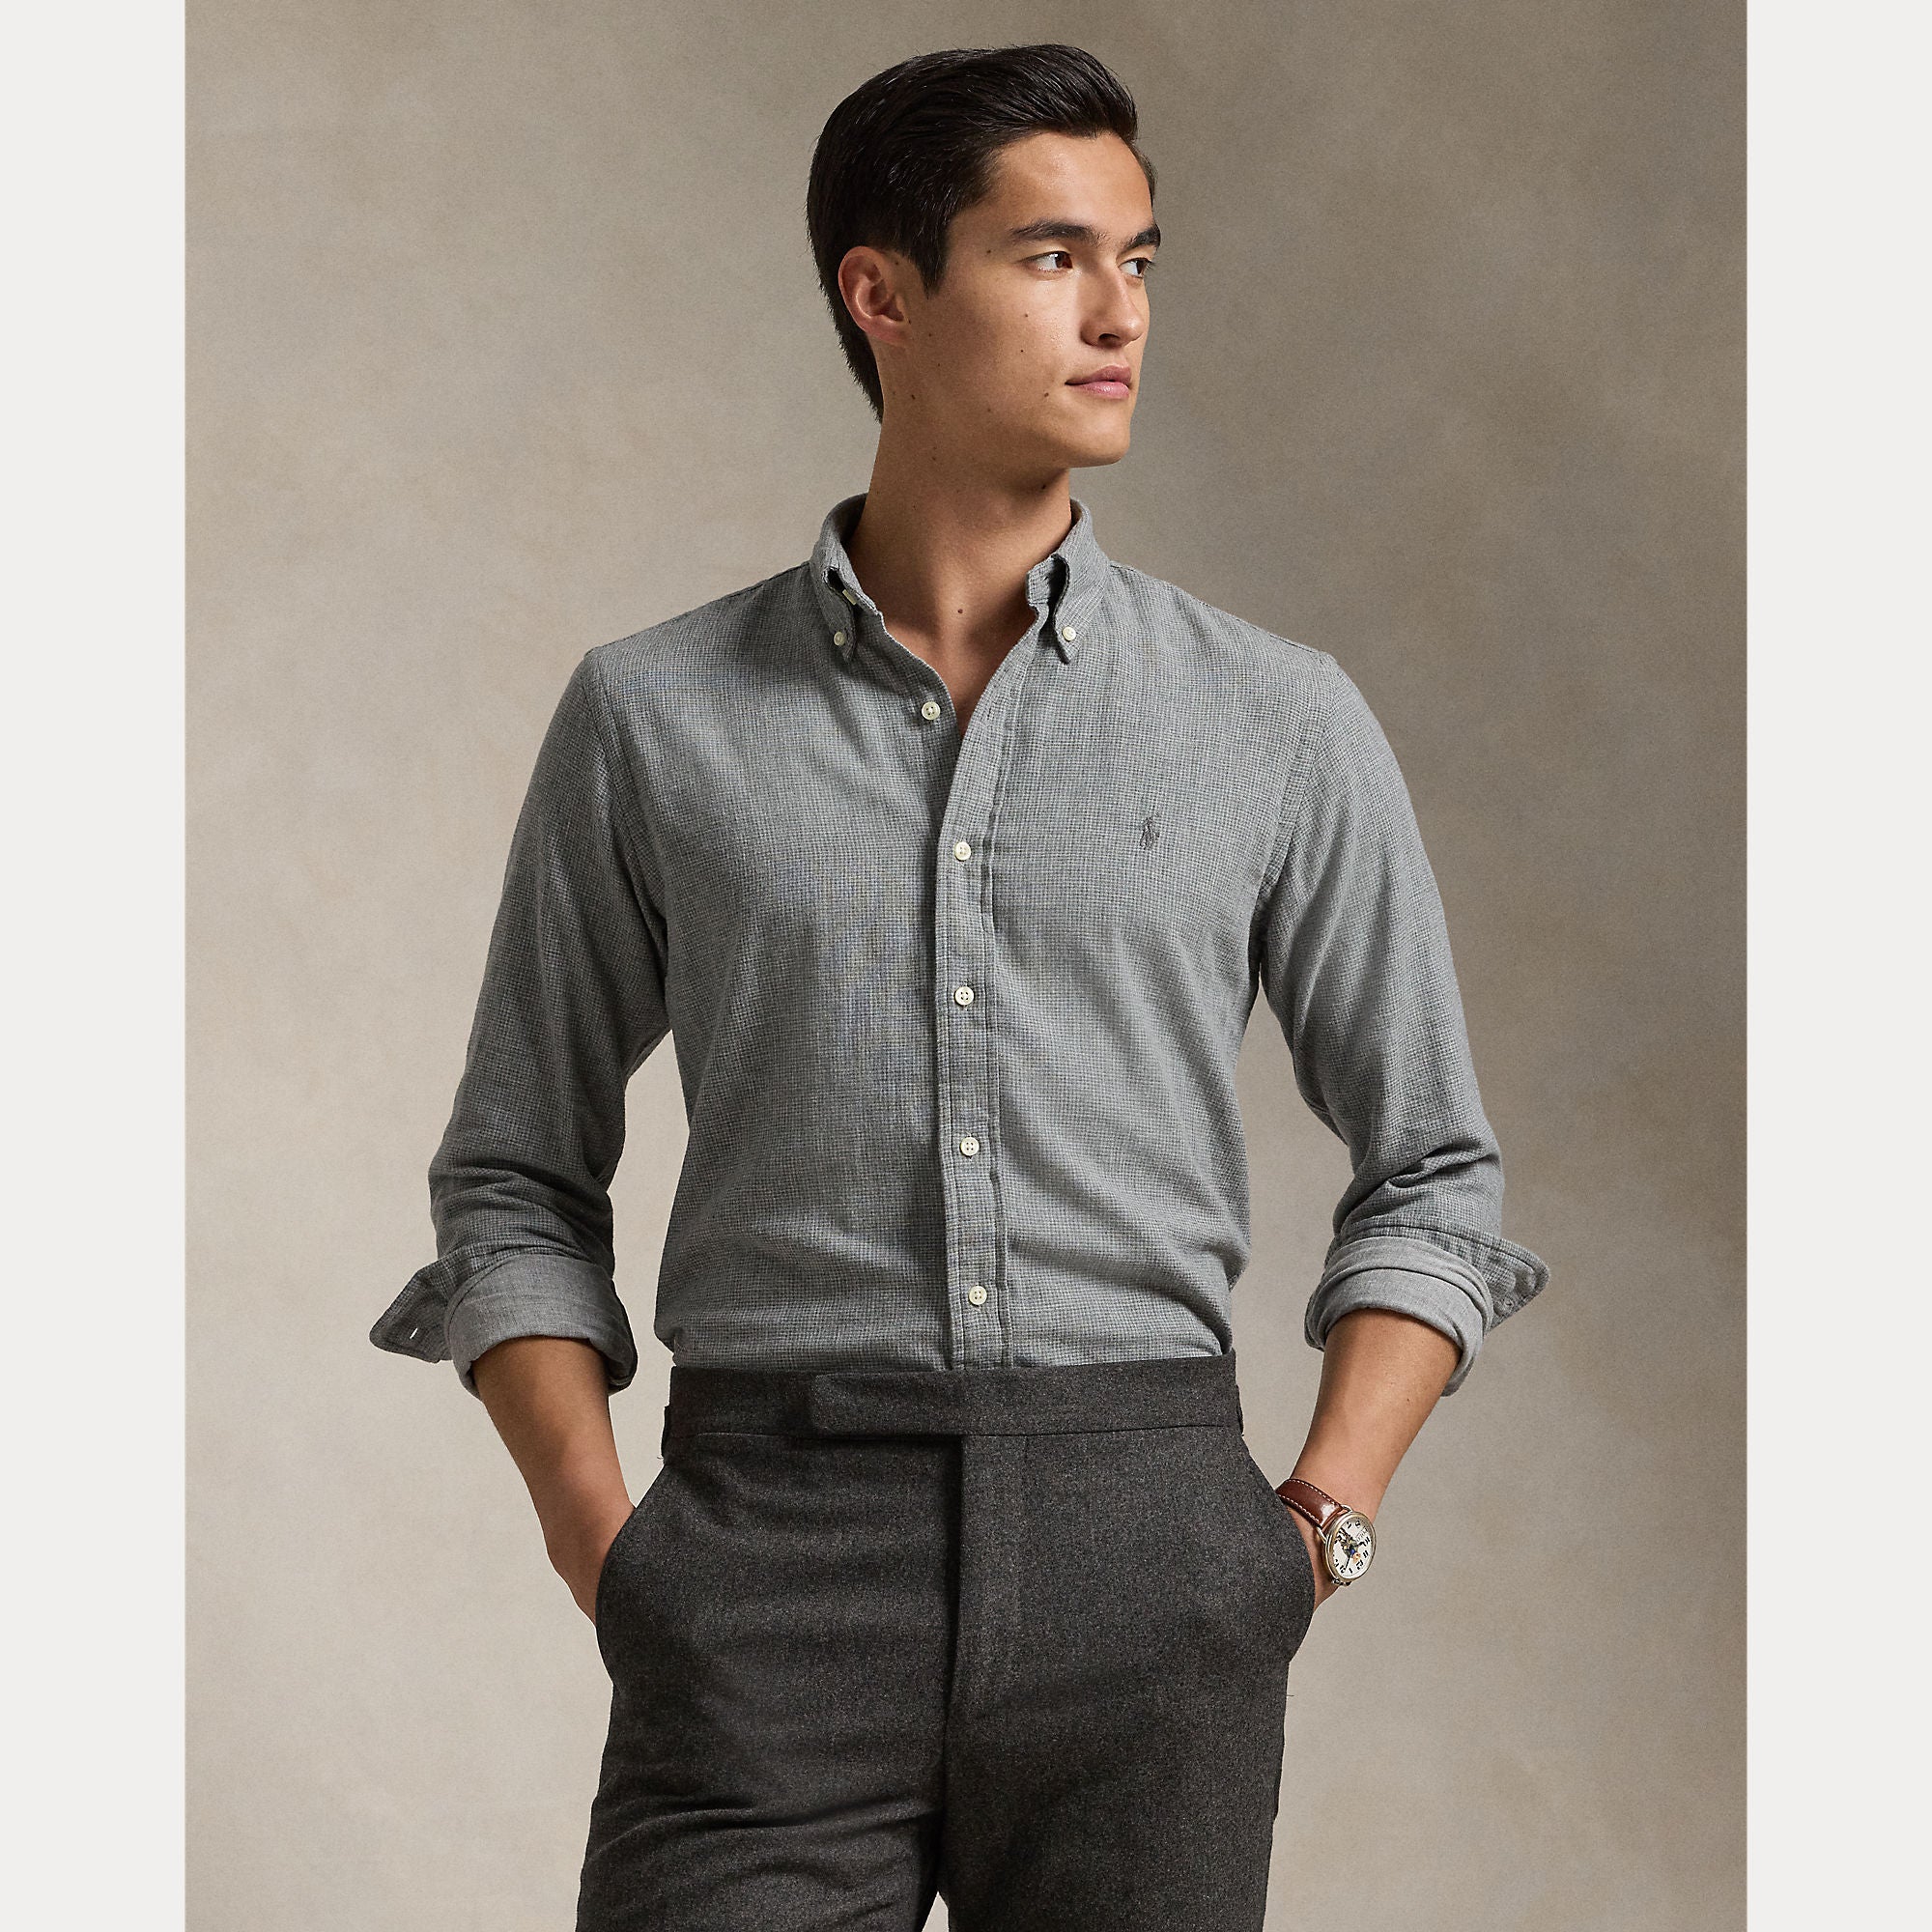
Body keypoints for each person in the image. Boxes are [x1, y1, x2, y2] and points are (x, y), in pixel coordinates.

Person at [370, 42, 1548, 1932]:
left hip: (1152, 1562)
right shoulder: (655, 717)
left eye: (1139, 261)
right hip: (765, 1561)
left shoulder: (1275, 720)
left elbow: (1434, 1173)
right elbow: (514, 1175)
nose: (1120, 314)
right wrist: (613, 1554)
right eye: (1052, 256)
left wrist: (1311, 1525)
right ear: (883, 293)